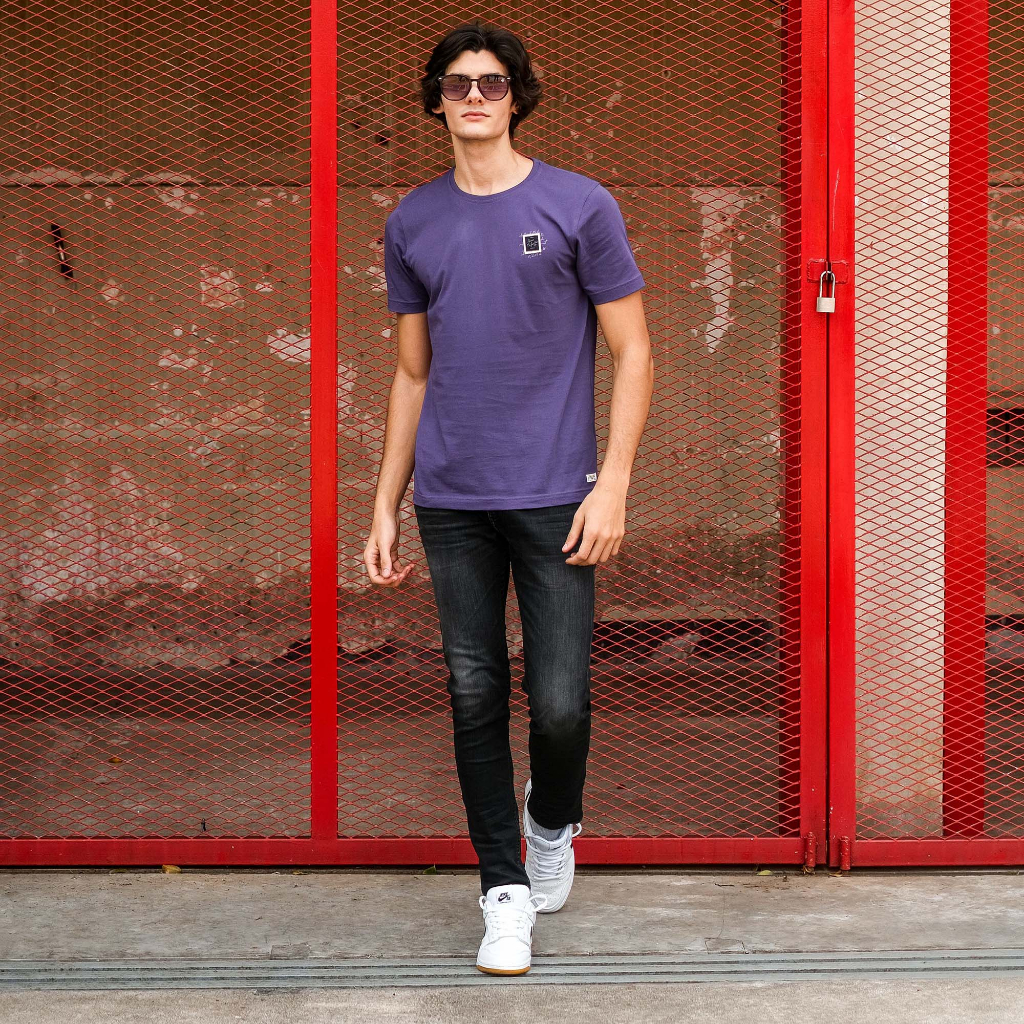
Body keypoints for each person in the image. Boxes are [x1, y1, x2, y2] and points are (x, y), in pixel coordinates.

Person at [363, 19, 654, 976]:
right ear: (437, 101)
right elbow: (413, 374)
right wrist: (385, 502)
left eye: (492, 82)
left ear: (517, 96)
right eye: (457, 84)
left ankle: (551, 820)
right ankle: (503, 890)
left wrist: (613, 484)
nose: (475, 97)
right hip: (453, 498)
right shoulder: (414, 222)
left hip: (559, 496)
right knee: (474, 689)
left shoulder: (579, 206)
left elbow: (635, 351)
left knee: (560, 703)